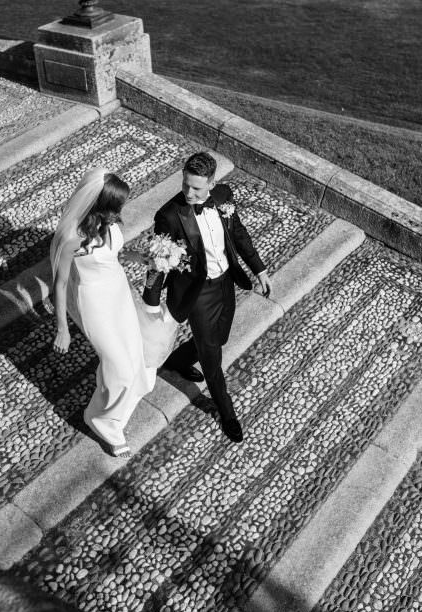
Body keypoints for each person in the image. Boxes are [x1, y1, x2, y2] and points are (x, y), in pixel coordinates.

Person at [143, 152, 272, 443]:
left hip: (226, 283)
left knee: (220, 337)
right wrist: (151, 304)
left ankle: (178, 360)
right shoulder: (169, 215)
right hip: (197, 292)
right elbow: (157, 261)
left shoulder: (224, 196)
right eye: (185, 185)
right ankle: (226, 412)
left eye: (197, 188)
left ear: (212, 184)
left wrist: (260, 269)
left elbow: (239, 234)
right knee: (212, 354)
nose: (189, 193)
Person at [51, 167, 163, 458]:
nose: (118, 214)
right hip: (93, 303)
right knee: (119, 366)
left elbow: (115, 254)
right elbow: (60, 284)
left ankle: (113, 405)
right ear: (98, 205)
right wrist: (62, 328)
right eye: (115, 208)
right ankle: (100, 419)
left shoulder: (109, 222)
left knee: (133, 354)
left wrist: (142, 258)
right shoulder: (73, 237)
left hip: (118, 293)